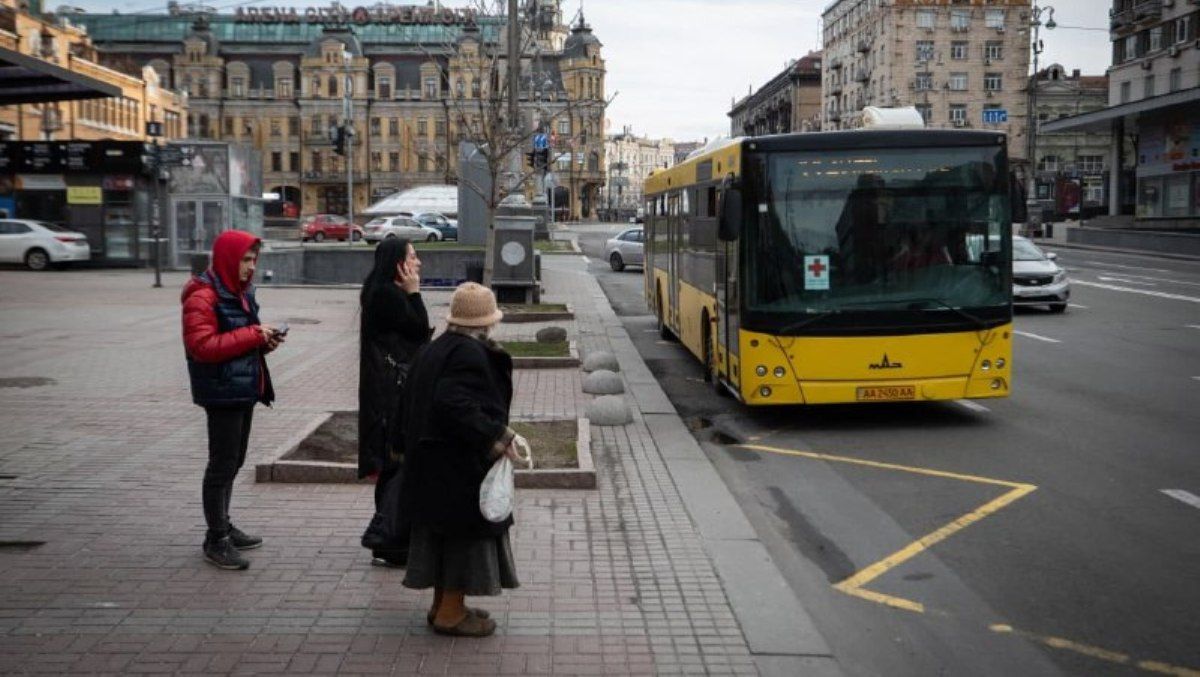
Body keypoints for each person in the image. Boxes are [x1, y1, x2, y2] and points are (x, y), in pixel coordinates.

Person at [401, 282, 522, 637]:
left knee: (444, 536)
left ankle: (443, 606)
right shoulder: (469, 355)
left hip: (430, 463)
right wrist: (496, 435)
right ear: (487, 322)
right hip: (454, 467)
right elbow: (454, 404)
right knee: (461, 538)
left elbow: (412, 400)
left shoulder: (437, 348)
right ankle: (451, 614)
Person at [181, 230, 282, 570]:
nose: (250, 267)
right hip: (221, 390)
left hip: (242, 386)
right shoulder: (202, 296)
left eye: (254, 260)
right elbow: (203, 346)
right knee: (221, 464)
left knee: (235, 461)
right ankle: (216, 538)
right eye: (245, 260)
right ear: (227, 258)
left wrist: (263, 342)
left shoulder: (241, 292)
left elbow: (237, 338)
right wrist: (253, 334)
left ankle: (224, 523)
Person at [358, 238, 431, 567]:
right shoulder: (387, 295)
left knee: (393, 464)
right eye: (413, 257)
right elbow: (418, 332)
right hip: (391, 391)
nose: (418, 263)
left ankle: (389, 533)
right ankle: (386, 536)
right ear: (398, 264)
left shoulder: (380, 290)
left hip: (387, 387)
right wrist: (415, 293)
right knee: (395, 464)